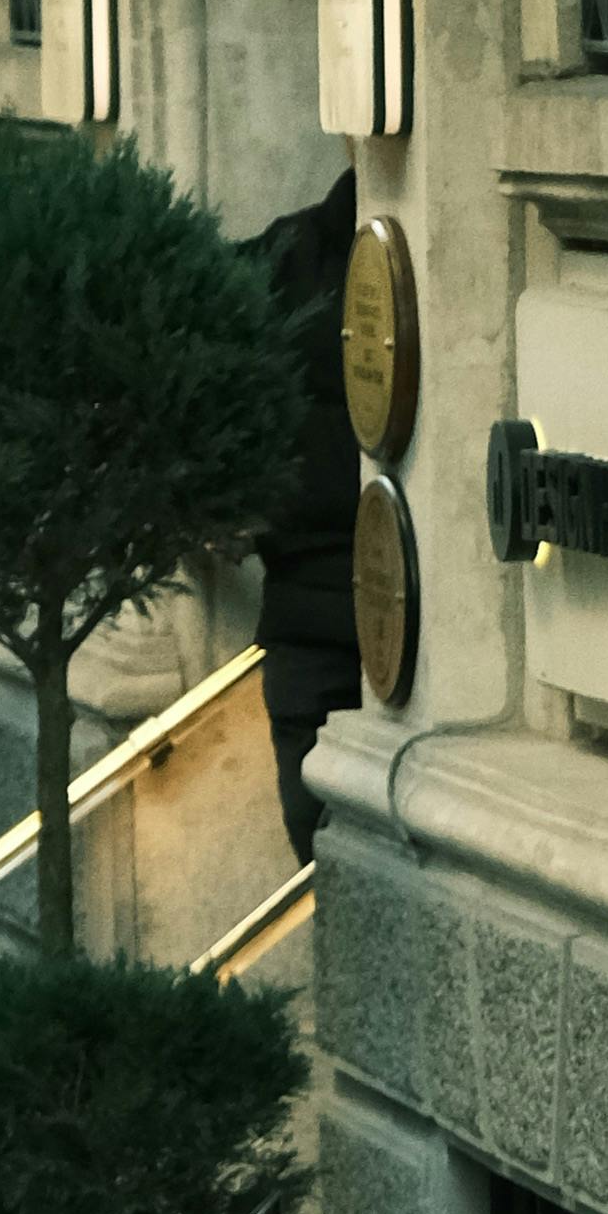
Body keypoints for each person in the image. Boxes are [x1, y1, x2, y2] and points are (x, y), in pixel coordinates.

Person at [246, 162, 361, 863]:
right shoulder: (289, 255)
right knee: (314, 836)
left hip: (413, 622)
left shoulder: (292, 253)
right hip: (312, 624)